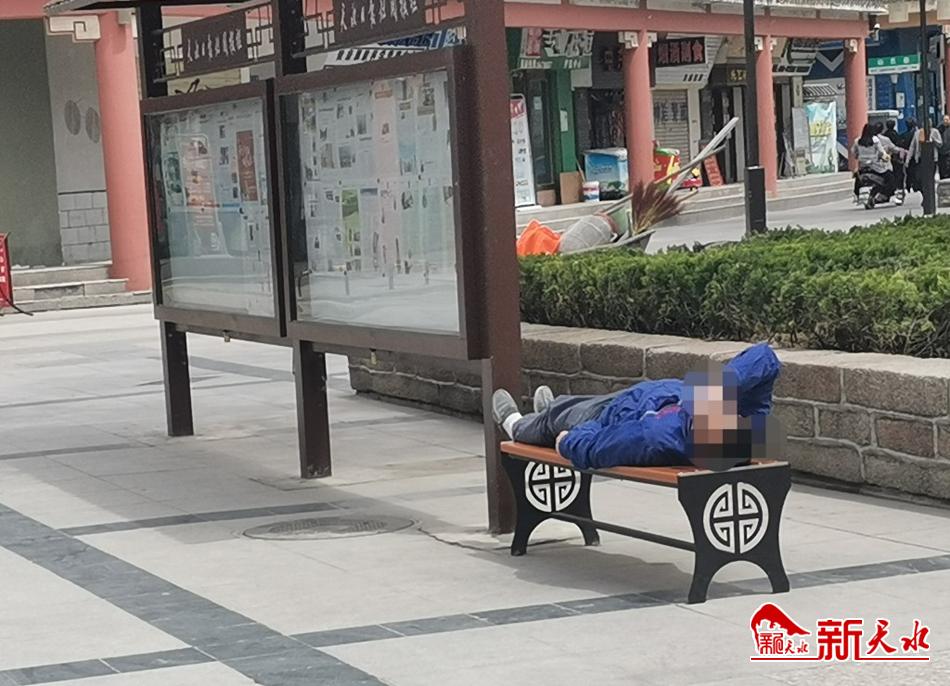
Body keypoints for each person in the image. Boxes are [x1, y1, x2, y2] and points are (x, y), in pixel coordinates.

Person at [492, 343, 780, 470]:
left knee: (560, 422)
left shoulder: (658, 435)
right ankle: (551, 410)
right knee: (567, 408)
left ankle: (516, 424)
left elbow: (598, 448)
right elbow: (764, 357)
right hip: (640, 398)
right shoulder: (746, 413)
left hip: (606, 419)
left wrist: (567, 443)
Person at [851, 123, 899, 208]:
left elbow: (854, 153)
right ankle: (883, 195)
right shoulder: (875, 140)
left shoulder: (857, 141)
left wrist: (859, 157)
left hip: (863, 167)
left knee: (857, 178)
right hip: (876, 167)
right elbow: (881, 152)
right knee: (890, 178)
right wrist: (886, 157)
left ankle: (856, 194)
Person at [939, 115, 950, 179]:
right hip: (942, 152)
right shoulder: (940, 129)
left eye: (947, 120)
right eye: (944, 120)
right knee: (943, 167)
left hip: (949, 152)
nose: (945, 121)